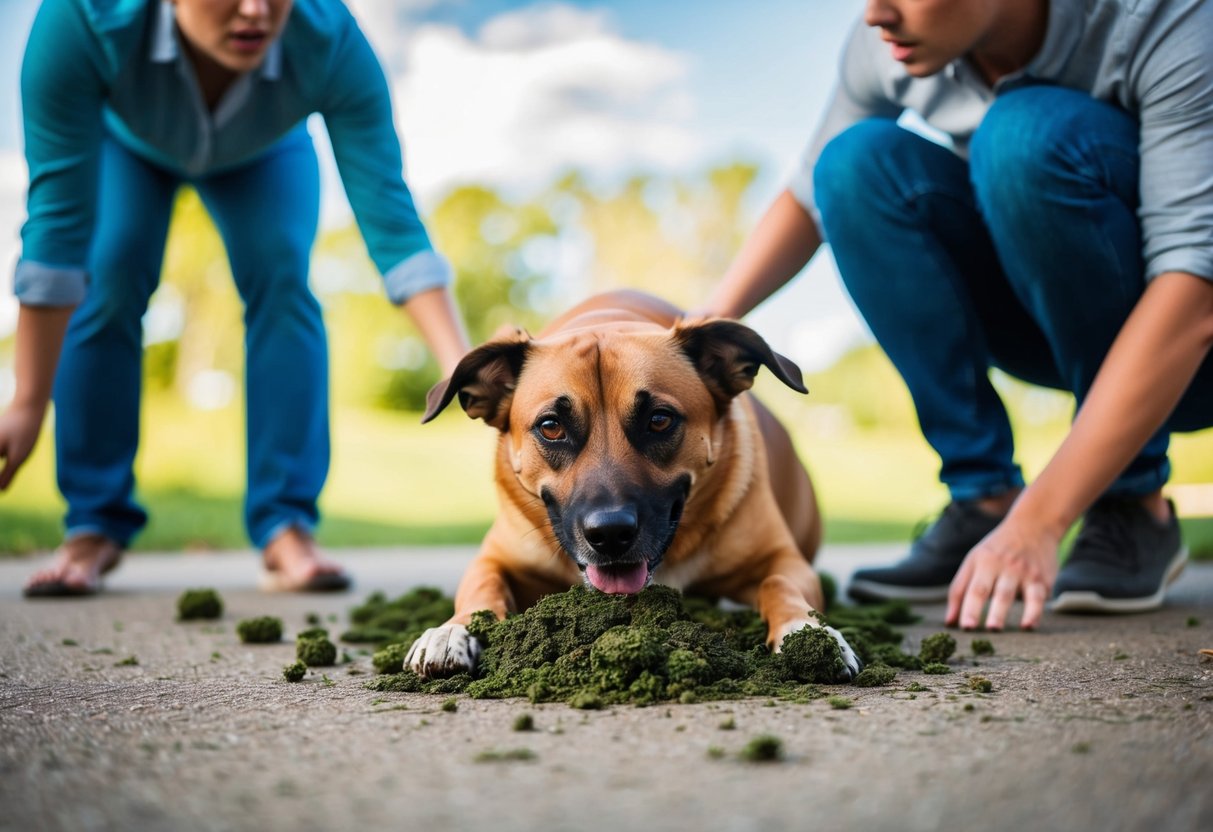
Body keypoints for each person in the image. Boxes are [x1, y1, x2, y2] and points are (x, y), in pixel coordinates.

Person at [700, 0, 1213, 630]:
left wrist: (1043, 521)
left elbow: (1194, 291)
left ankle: (1132, 503)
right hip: (1051, 321)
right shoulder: (893, 44)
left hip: (1191, 352)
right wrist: (693, 332)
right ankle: (984, 498)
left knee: (1020, 135)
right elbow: (808, 196)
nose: (874, 15)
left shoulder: (1166, 19)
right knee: (853, 164)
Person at [0, 0, 471, 596]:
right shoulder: (81, 20)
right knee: (109, 271)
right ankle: (93, 523)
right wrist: (27, 400)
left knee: (283, 278)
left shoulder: (330, 41)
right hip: (127, 145)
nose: (256, 10)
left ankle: (286, 524)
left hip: (265, 152)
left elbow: (394, 223)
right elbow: (57, 235)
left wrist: (462, 365)